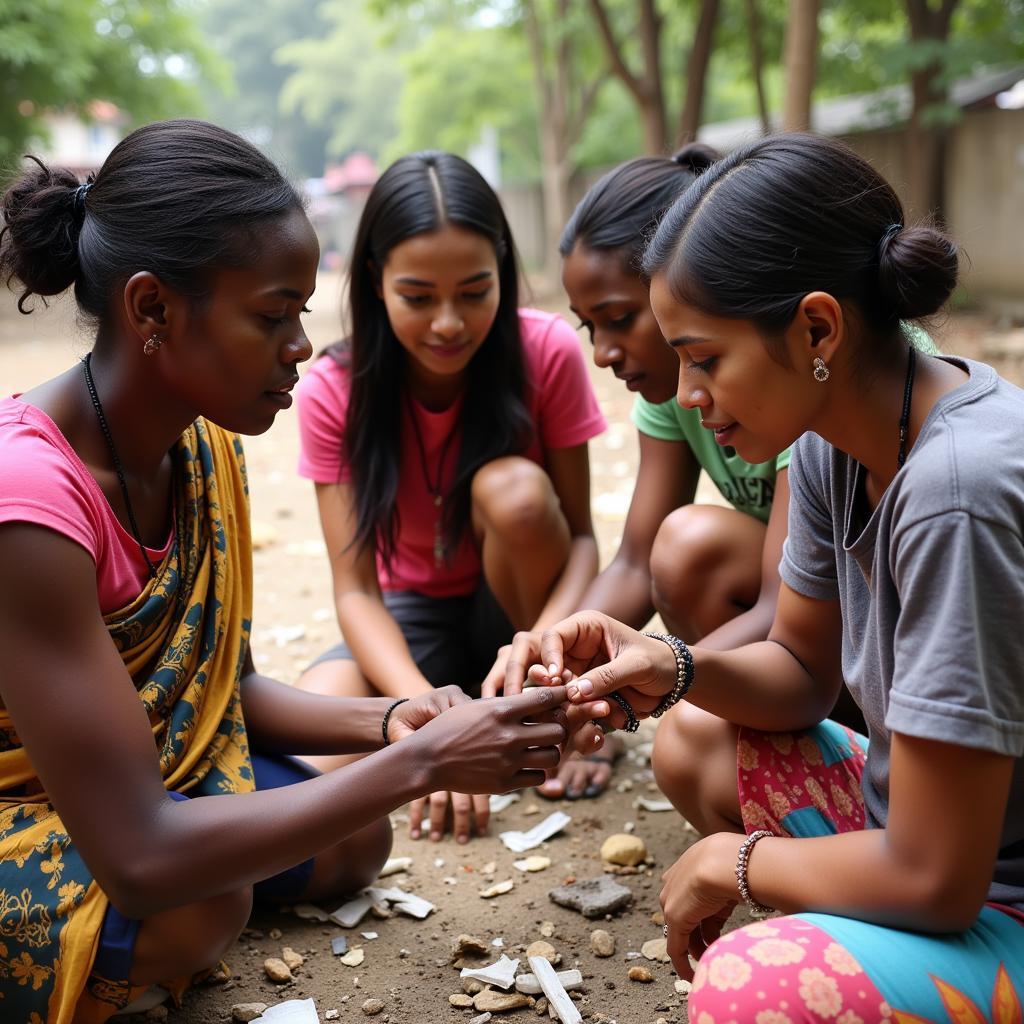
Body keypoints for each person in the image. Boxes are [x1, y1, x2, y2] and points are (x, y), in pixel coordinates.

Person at [0, 120, 573, 1024]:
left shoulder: (198, 451)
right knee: (197, 901)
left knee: (353, 839)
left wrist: (394, 718)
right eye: (272, 315)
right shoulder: (29, 499)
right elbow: (140, 855)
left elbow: (226, 687)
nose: (301, 345)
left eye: (303, 312)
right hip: (33, 807)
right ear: (151, 309)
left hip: (129, 783)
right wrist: (423, 760)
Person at [516, 134, 1024, 1018]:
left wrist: (738, 861)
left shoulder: (957, 493)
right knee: (695, 737)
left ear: (818, 328)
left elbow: (940, 877)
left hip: (988, 889)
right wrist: (668, 667)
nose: (685, 392)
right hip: (938, 840)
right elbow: (798, 673)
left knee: (749, 989)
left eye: (705, 358)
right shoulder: (838, 441)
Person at [293, 151, 605, 845]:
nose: (447, 323)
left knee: (516, 492)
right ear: (375, 282)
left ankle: (574, 711)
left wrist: (549, 659)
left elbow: (581, 539)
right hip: (409, 629)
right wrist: (427, 721)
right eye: (417, 296)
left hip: (526, 618)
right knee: (302, 765)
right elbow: (356, 593)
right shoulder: (333, 389)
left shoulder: (546, 350)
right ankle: (471, 707)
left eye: (473, 292)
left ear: (502, 269)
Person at [529, 142, 794, 801]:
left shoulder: (799, 384)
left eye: (619, 319)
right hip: (795, 627)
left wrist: (659, 675)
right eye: (588, 326)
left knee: (692, 546)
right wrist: (554, 662)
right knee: (678, 549)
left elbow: (790, 604)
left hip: (844, 634)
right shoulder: (679, 390)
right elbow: (635, 561)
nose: (602, 353)